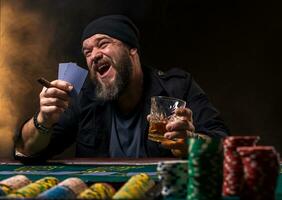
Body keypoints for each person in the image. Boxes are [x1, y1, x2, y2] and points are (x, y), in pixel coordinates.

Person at [15, 15, 228, 160]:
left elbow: (224, 145)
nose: (94, 55)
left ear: (131, 48)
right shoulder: (84, 96)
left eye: (103, 43)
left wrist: (192, 142)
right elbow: (26, 151)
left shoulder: (178, 87)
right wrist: (43, 119)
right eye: (87, 52)